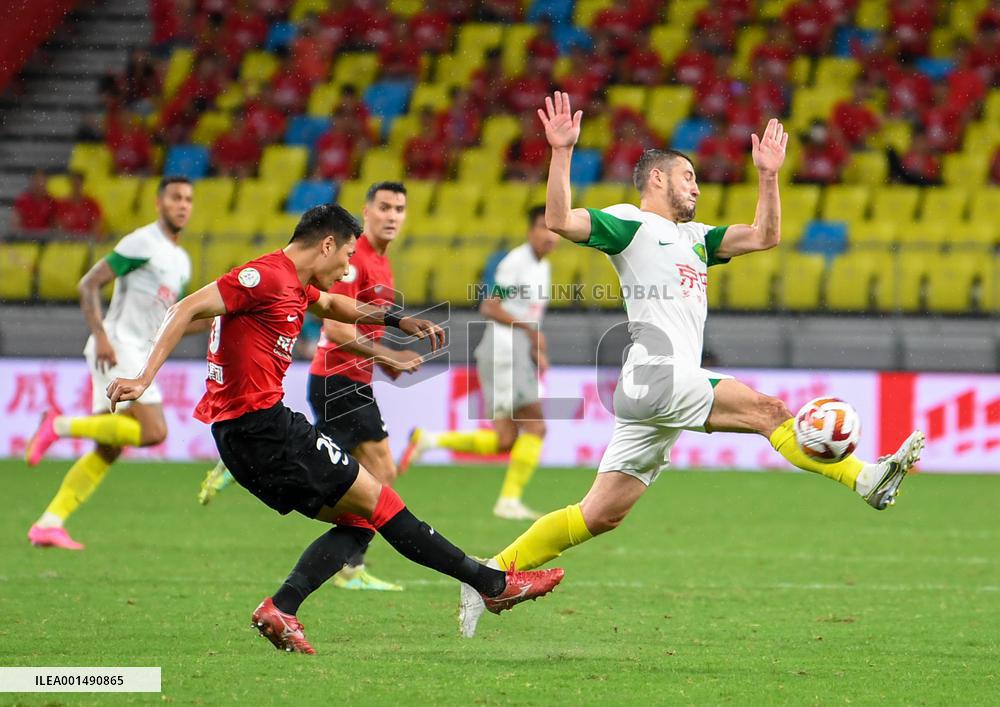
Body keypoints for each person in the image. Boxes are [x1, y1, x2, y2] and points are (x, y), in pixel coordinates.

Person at [457, 92, 925, 638]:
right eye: (688, 176)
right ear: (655, 179)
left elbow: (766, 236)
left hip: (654, 388)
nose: (697, 186)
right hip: (656, 374)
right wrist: (561, 152)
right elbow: (559, 218)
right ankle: (866, 479)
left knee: (600, 514)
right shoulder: (630, 224)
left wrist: (768, 177)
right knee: (767, 410)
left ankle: (487, 574)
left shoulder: (697, 240)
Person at [106, 204, 564, 653]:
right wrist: (144, 377)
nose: (348, 268)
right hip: (266, 429)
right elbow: (185, 307)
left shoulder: (297, 285)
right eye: (346, 255)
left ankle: (282, 607)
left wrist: (395, 319)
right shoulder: (264, 276)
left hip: (241, 439)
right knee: (383, 500)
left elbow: (332, 304)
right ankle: (491, 584)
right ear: (327, 244)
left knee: (362, 517)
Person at [24, 176, 200, 550]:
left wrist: (221, 320)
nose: (182, 204)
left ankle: (49, 523)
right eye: (175, 198)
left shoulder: (181, 261)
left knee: (108, 447)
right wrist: (101, 335)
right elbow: (89, 284)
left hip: (138, 348)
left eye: (188, 199)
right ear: (158, 203)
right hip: (119, 346)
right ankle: (56, 424)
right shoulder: (142, 242)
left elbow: (171, 320)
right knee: (155, 432)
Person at [399, 205, 559, 521]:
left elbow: (527, 313)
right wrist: (530, 334)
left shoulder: (544, 267)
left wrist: (534, 347)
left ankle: (430, 440)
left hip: (513, 352)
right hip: (503, 352)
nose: (549, 235)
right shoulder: (517, 263)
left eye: (553, 228)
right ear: (531, 231)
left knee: (506, 440)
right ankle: (509, 501)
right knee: (537, 427)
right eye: (543, 227)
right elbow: (490, 306)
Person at [304, 181, 422, 591]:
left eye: (399, 209)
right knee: (379, 473)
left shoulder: (383, 264)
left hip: (349, 380)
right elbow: (336, 329)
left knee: (362, 479)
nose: (392, 216)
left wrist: (386, 366)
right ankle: (348, 566)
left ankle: (348, 565)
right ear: (366, 211)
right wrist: (391, 357)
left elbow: (361, 333)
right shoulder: (355, 262)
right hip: (338, 380)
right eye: (384, 207)